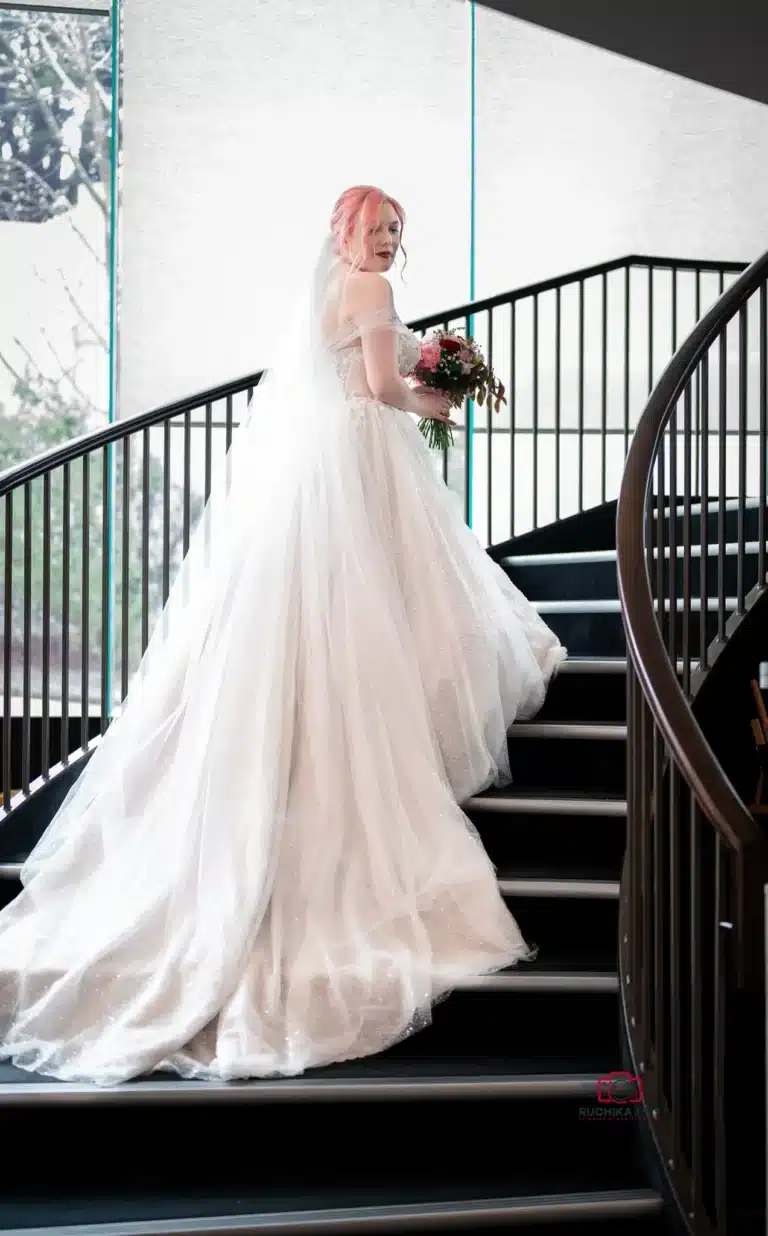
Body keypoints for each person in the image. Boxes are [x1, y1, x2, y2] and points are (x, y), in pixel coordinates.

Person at [0, 186, 566, 1086]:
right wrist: (439, 400)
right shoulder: (371, 294)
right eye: (378, 231)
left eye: (395, 234)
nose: (388, 245)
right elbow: (380, 388)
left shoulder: (323, 289)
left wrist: (425, 371)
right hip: (359, 460)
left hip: (315, 470)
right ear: (348, 233)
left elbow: (339, 371)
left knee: (344, 620)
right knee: (386, 611)